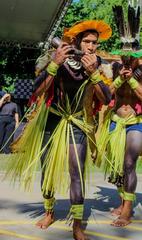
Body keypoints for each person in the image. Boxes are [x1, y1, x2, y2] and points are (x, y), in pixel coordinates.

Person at [8, 20, 112, 240]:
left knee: (77, 173)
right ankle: (49, 212)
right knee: (47, 170)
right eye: (87, 42)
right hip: (53, 120)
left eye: (95, 42)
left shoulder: (96, 64)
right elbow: (35, 91)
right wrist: (54, 64)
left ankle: (77, 225)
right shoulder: (58, 58)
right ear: (75, 41)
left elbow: (106, 98)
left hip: (77, 122)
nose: (92, 47)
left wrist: (93, 72)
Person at [95, 4, 142, 227]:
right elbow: (105, 97)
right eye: (123, 53)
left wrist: (132, 79)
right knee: (116, 165)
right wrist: (119, 79)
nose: (126, 58)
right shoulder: (114, 68)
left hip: (135, 122)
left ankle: (127, 210)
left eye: (130, 53)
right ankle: (123, 201)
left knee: (129, 162)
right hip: (115, 122)